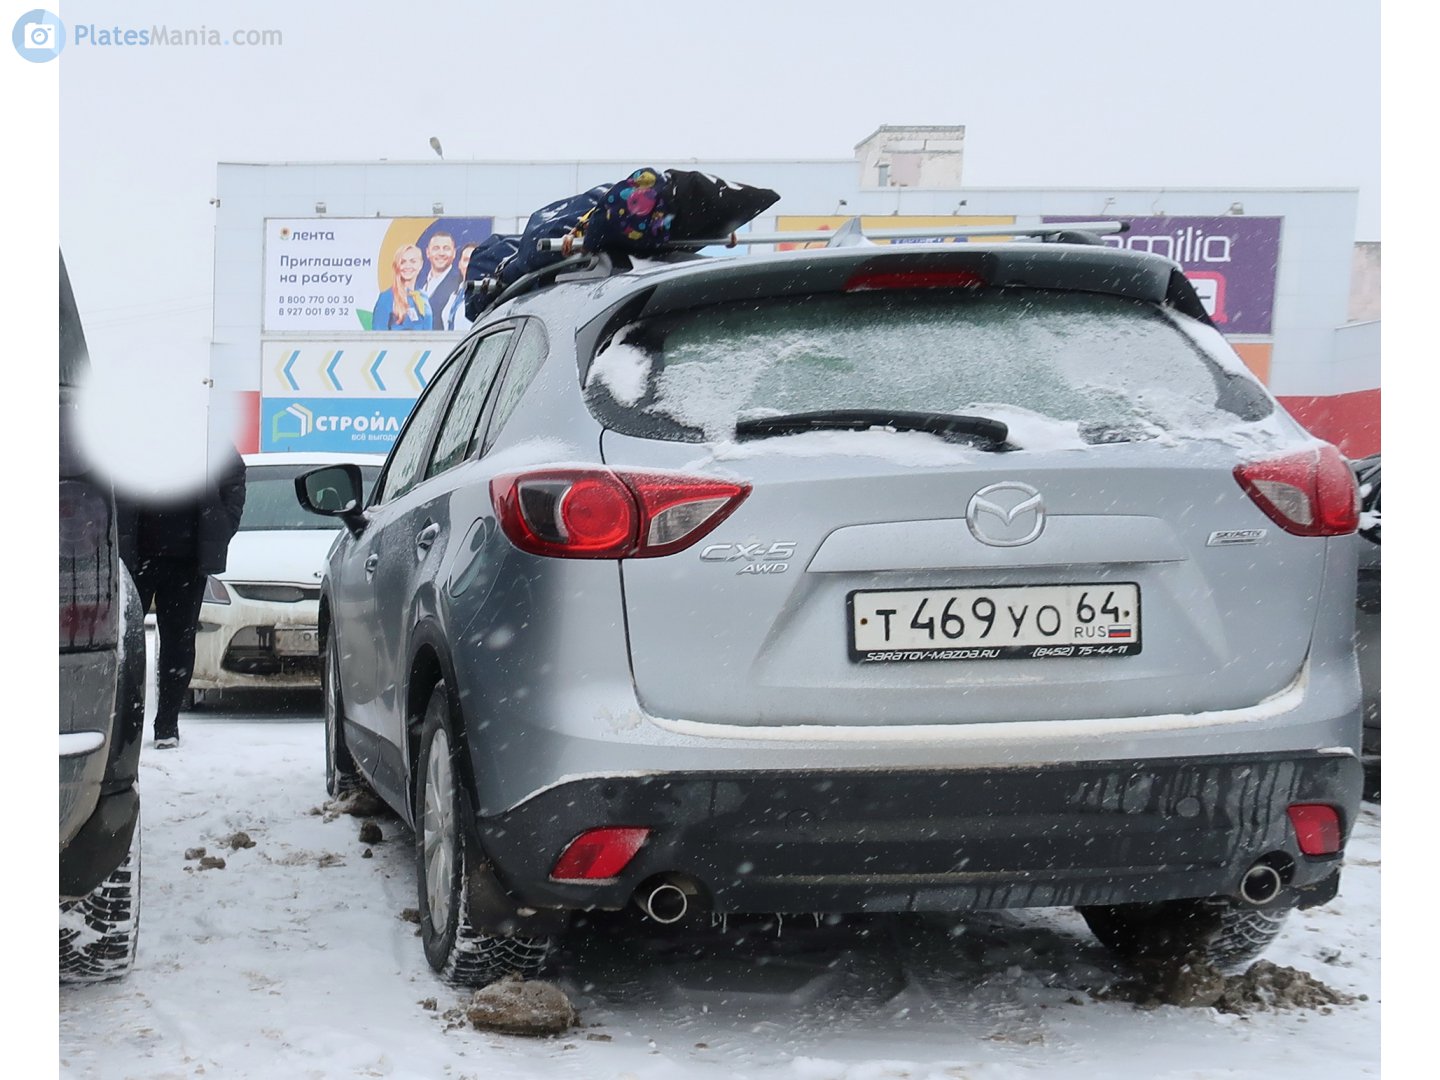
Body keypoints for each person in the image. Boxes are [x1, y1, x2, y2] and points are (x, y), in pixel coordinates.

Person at [116, 448, 246, 748]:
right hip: (134, 557)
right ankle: (127, 727)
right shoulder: (134, 430)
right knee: (127, 644)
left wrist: (223, 524)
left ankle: (166, 725)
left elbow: (233, 476)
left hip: (187, 560)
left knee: (179, 643)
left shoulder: (204, 427)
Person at [371, 244, 436, 330]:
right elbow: (378, 335)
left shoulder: (423, 297)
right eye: (403, 262)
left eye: (413, 261)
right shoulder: (387, 297)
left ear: (420, 265)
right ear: (397, 266)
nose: (407, 266)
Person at [441, 241, 479, 331]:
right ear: (459, 264)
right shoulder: (454, 296)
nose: (470, 264)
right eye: (466, 260)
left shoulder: (482, 297)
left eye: (474, 260)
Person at [418, 231, 459, 311]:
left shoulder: (459, 283)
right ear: (427, 252)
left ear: (454, 253)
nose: (441, 253)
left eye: (446, 248)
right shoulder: (418, 281)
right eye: (436, 248)